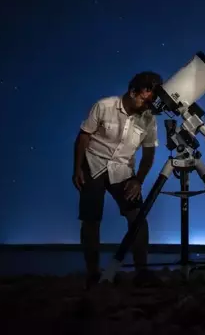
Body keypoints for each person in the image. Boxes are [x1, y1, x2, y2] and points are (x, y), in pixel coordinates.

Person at [72, 71, 163, 289]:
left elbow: (149, 154)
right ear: (133, 92)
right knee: (91, 220)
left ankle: (142, 272)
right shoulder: (104, 106)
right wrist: (77, 170)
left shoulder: (149, 118)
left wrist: (138, 181)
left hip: (122, 170)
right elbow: (84, 137)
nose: (147, 104)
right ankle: (93, 273)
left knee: (138, 218)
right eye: (144, 98)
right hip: (93, 164)